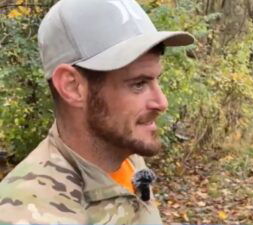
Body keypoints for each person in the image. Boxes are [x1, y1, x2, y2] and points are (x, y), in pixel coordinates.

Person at [0, 0, 194, 223]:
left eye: (156, 80)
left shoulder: (124, 153)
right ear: (72, 87)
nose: (161, 102)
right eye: (138, 84)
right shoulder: (29, 214)